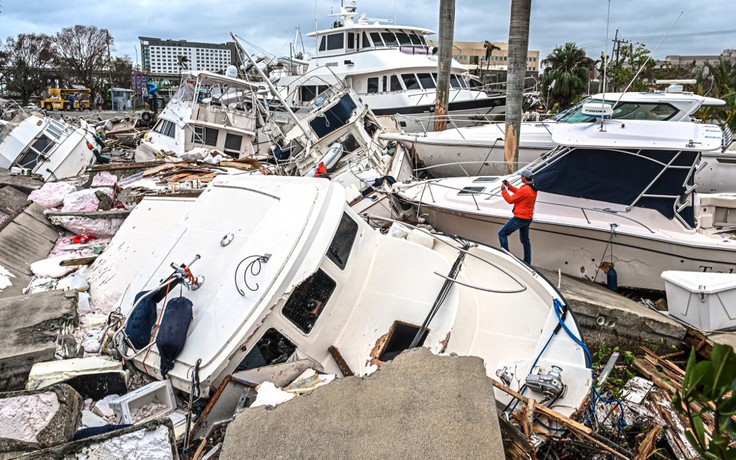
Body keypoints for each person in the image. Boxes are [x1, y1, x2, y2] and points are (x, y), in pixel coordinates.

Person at [498, 168, 538, 265]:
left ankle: (507, 256)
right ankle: (527, 261)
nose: (521, 178)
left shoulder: (525, 189)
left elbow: (510, 200)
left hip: (520, 218)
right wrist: (509, 186)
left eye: (521, 176)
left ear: (524, 177)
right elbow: (520, 193)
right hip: (528, 218)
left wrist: (504, 190)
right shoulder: (532, 188)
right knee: (525, 240)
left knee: (502, 234)